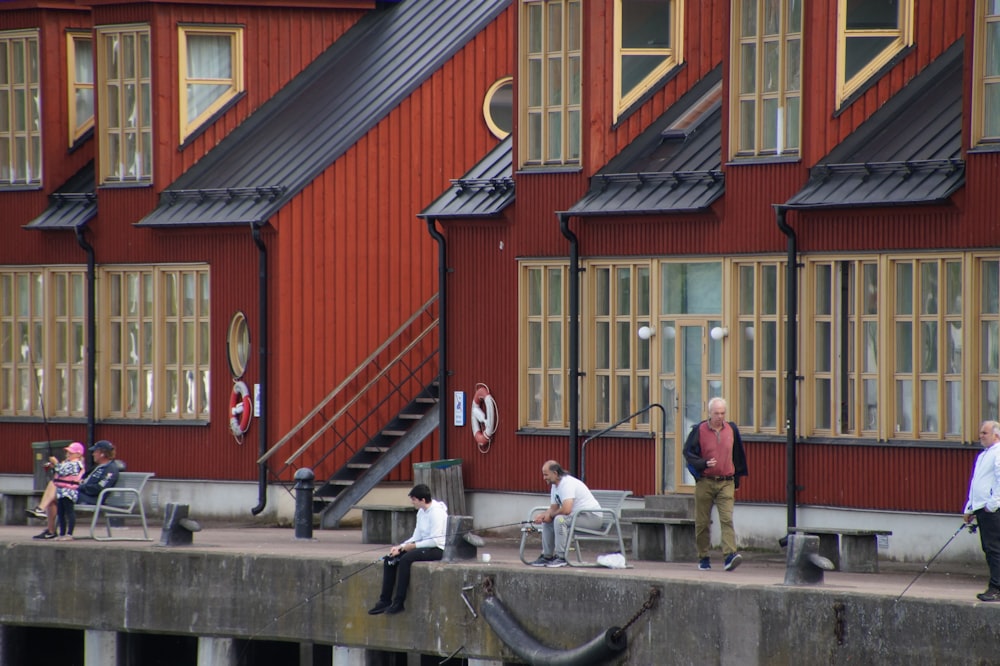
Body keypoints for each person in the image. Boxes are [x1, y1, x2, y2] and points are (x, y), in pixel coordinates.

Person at [683, 397, 748, 572]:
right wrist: (703, 463)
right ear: (709, 413)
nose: (720, 416)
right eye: (717, 413)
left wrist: (737, 479)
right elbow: (688, 453)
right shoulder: (699, 430)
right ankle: (703, 556)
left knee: (727, 519)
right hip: (705, 482)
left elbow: (738, 455)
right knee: (703, 522)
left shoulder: (731, 429)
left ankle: (729, 555)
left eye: (722, 413)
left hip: (726, 481)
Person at [368, 484, 447, 616]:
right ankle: (385, 600)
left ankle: (399, 602)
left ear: (422, 500)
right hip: (423, 546)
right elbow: (417, 536)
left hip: (437, 548)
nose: (412, 502)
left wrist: (413, 546)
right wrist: (400, 547)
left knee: (405, 559)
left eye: (414, 499)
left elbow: (435, 540)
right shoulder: (421, 512)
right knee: (390, 559)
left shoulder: (437, 513)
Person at [31, 440, 121, 540]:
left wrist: (78, 486)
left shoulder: (110, 469)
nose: (93, 454)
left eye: (95, 451)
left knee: (56, 488)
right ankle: (50, 530)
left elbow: (99, 488)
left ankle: (41, 510)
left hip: (92, 498)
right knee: (55, 489)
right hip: (82, 493)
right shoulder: (98, 467)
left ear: (102, 453)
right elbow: (81, 478)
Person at [527, 460, 603, 568]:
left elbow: (566, 509)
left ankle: (561, 557)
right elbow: (554, 508)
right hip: (576, 516)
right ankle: (547, 556)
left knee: (560, 520)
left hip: (591, 518)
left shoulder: (566, 484)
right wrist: (544, 515)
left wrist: (551, 515)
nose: (544, 478)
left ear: (555, 473)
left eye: (546, 475)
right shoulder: (555, 485)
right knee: (548, 521)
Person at [964, 420, 1000, 602]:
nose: (980, 436)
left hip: (992, 509)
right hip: (981, 508)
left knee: (994, 548)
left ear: (996, 435)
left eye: (984, 433)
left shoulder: (998, 453)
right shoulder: (983, 456)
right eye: (981, 433)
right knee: (989, 547)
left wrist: (993, 504)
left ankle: (996, 587)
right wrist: (969, 508)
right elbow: (975, 484)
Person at [50, 442, 86, 541]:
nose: (68, 454)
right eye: (68, 452)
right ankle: (62, 533)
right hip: (61, 490)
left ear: (78, 454)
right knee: (60, 512)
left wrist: (56, 463)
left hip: (69, 491)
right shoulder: (66, 463)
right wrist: (53, 467)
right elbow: (59, 472)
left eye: (71, 453)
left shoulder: (76, 464)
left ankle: (69, 534)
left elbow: (62, 471)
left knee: (69, 511)